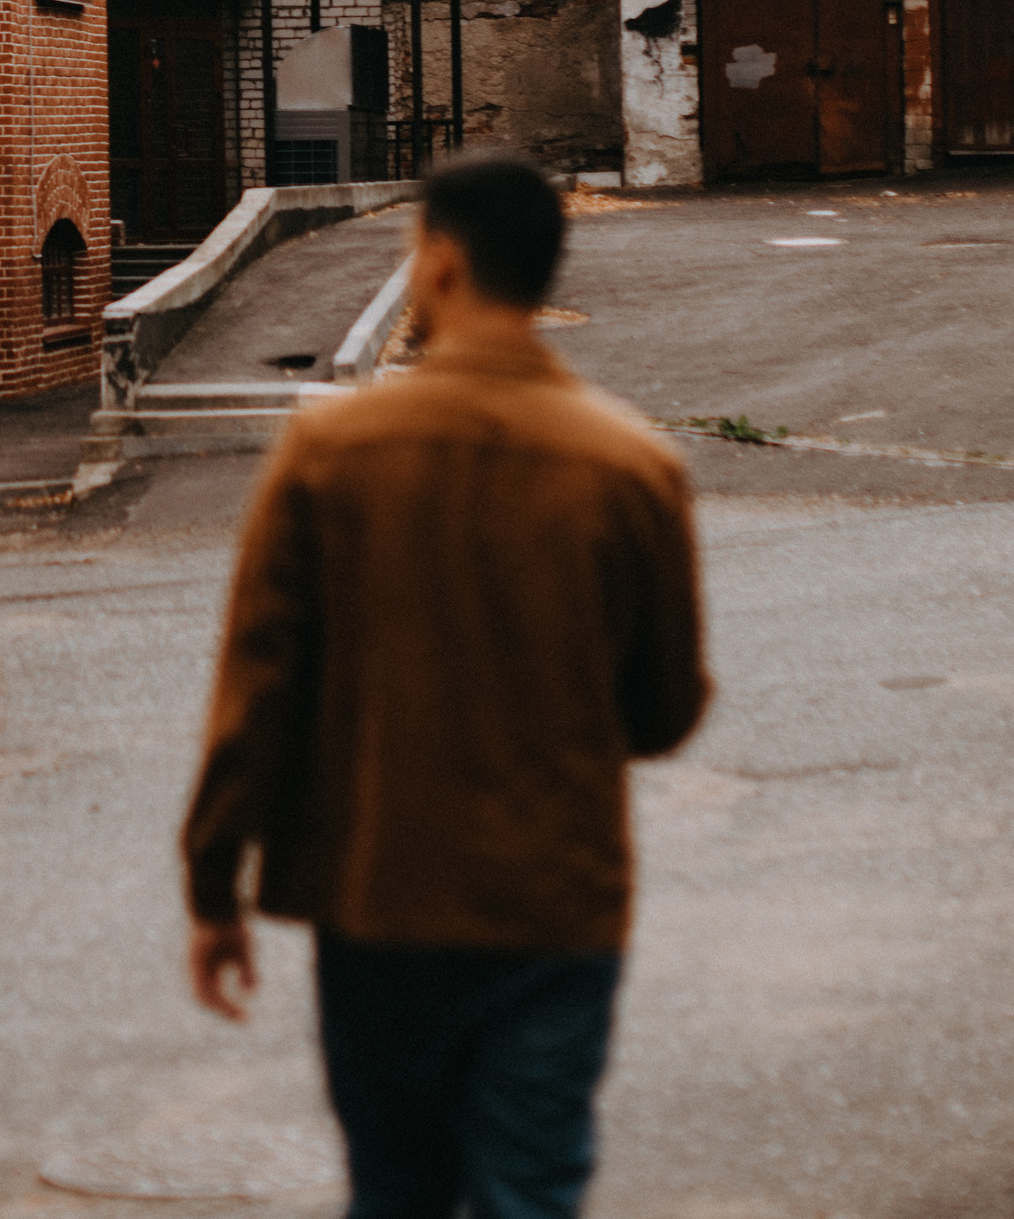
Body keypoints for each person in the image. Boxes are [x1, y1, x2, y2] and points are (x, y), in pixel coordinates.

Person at [182, 152, 710, 1219]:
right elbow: (662, 712)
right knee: (531, 1185)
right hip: (553, 902)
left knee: (396, 1188)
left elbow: (256, 695)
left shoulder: (329, 450)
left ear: (438, 259)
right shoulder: (631, 466)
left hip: (377, 895)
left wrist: (212, 886)